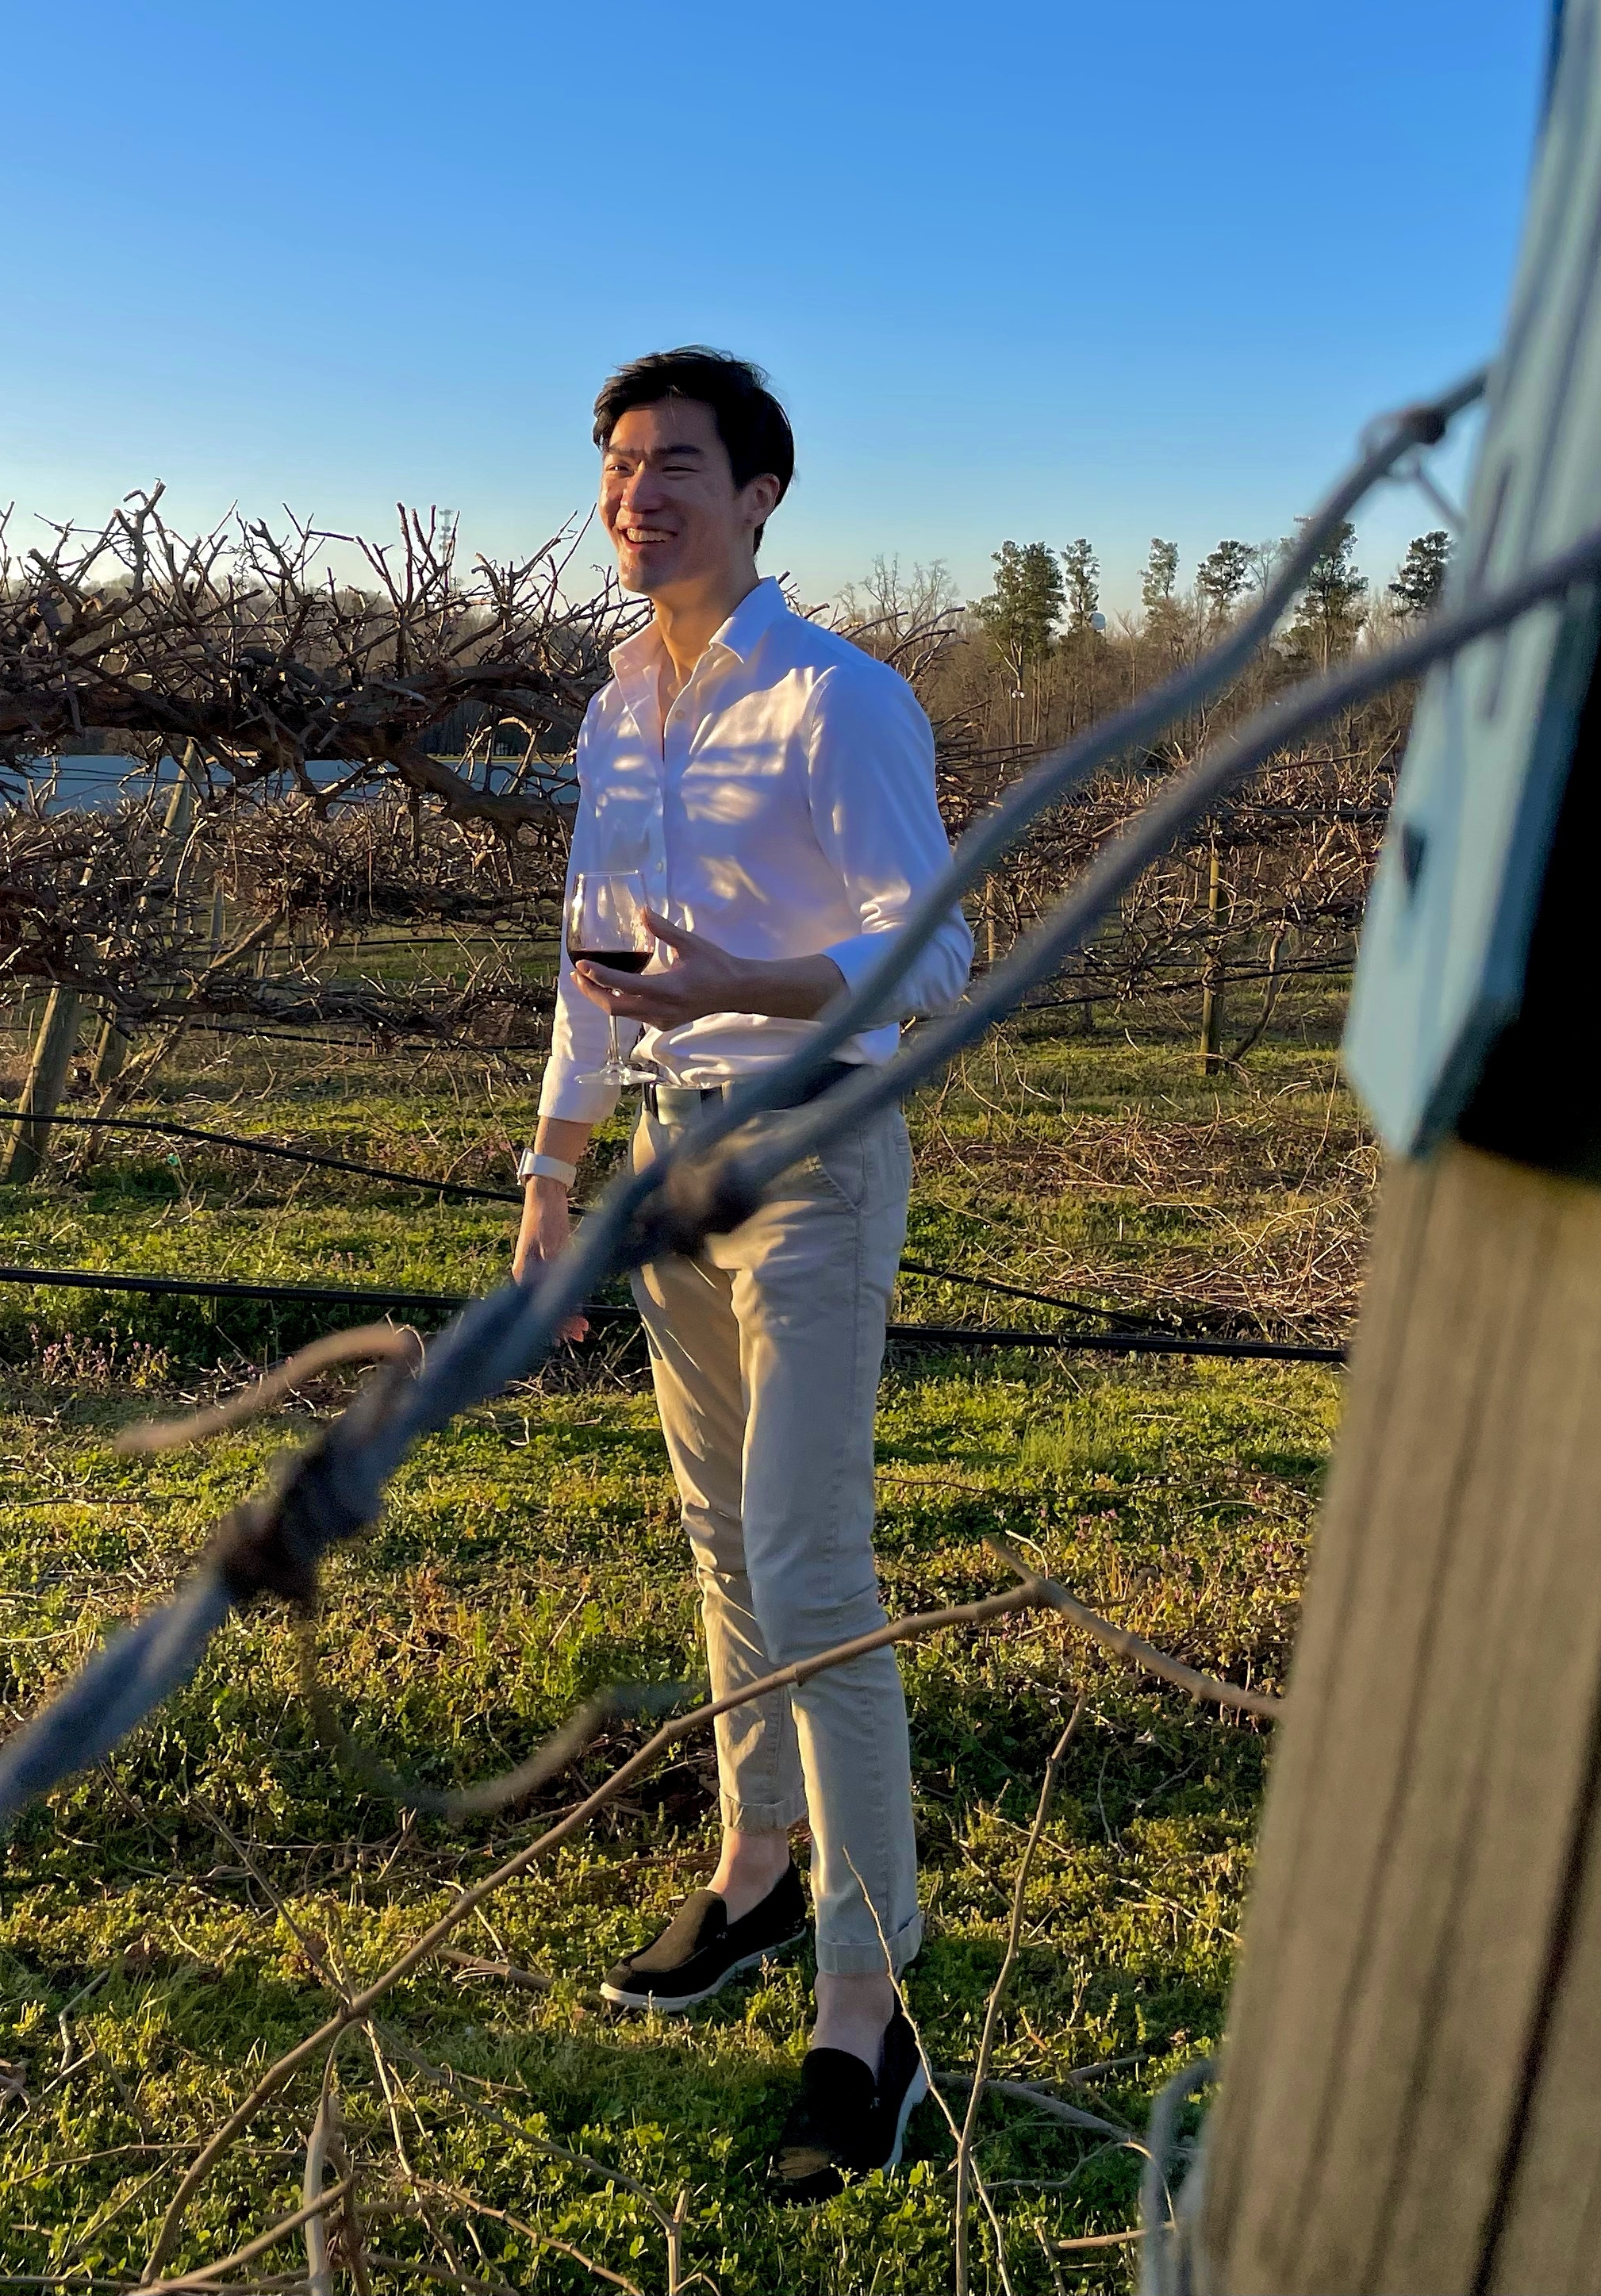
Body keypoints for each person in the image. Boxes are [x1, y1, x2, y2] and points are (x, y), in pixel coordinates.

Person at [513, 347, 971, 2203]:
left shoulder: (841, 698)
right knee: (717, 1538)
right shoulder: (617, 705)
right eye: (620, 464)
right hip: (664, 1155)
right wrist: (554, 1163)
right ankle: (757, 1870)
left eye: (679, 461)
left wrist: (745, 993)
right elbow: (587, 958)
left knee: (809, 1560)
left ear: (762, 490)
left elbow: (924, 960)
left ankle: (869, 2002)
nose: (641, 491)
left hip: (808, 1143)